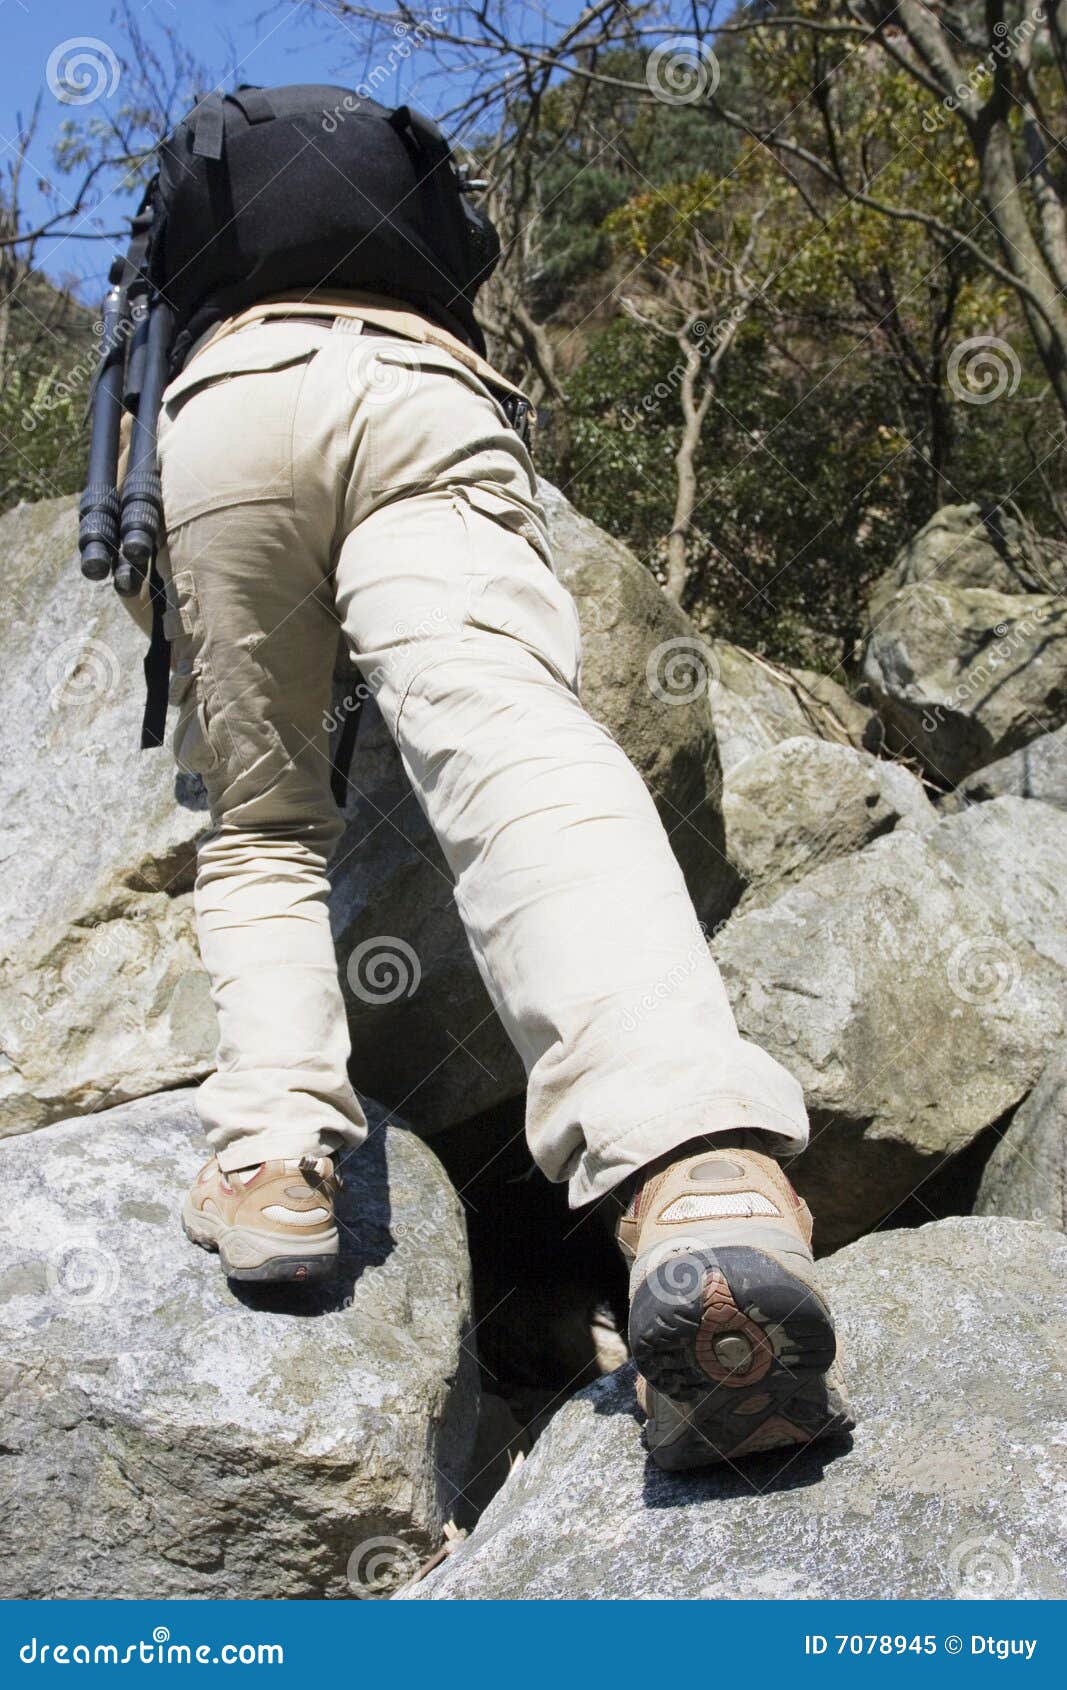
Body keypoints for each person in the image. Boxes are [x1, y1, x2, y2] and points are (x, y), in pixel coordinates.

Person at [119, 114, 849, 1472]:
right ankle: (701, 1167)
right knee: (520, 746)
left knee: (265, 830)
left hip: (227, 404)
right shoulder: (410, 262)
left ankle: (275, 1161)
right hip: (425, 390)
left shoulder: (205, 277)